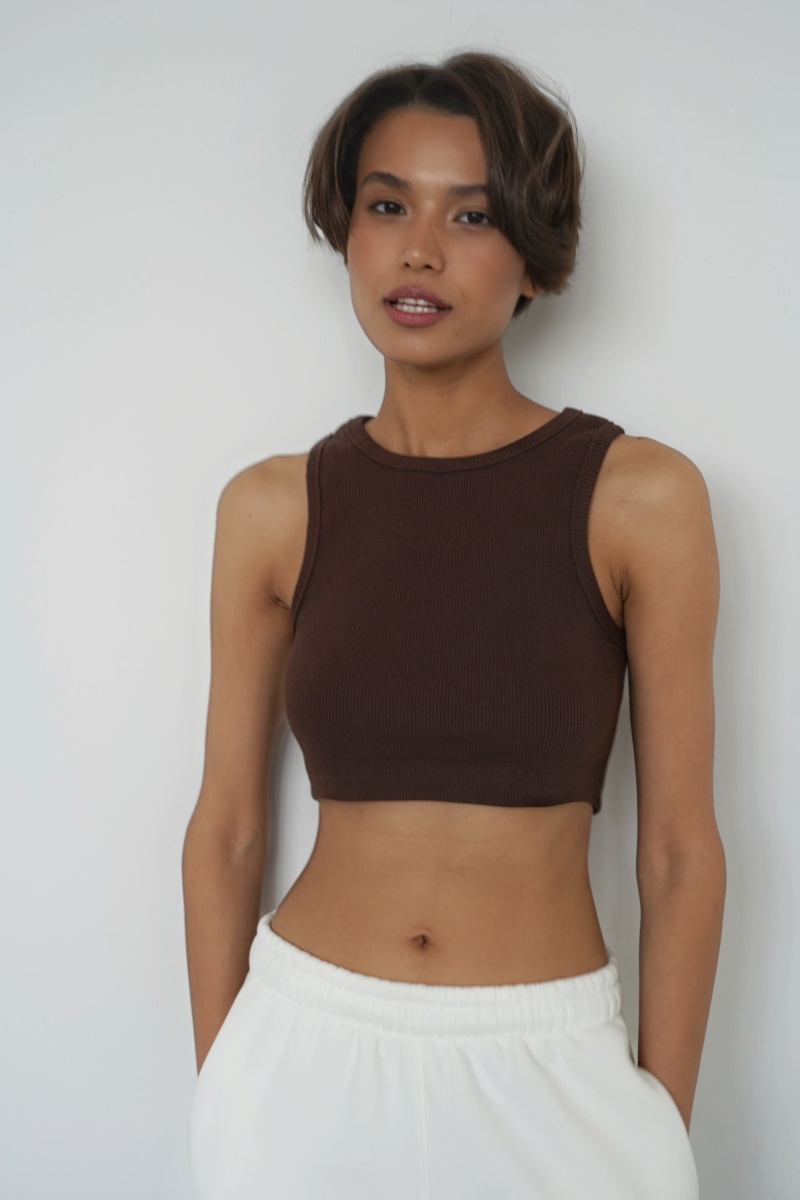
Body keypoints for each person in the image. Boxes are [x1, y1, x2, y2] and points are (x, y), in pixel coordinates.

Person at [182, 50, 725, 1200]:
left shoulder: (637, 497)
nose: (418, 250)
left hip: (552, 1067)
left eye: (469, 215)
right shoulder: (272, 509)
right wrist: (222, 1079)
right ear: (346, 232)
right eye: (387, 206)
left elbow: (679, 849)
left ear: (533, 253)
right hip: (302, 1055)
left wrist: (659, 1126)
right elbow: (226, 826)